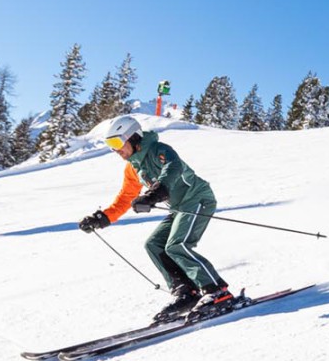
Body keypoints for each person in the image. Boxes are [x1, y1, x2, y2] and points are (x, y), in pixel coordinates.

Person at [78, 116, 233, 322]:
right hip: (179, 208)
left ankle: (217, 291)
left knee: (177, 245)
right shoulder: (133, 168)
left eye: (116, 143)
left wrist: (155, 193)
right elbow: (126, 197)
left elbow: (173, 168)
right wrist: (102, 218)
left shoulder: (160, 150)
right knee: (154, 244)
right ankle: (186, 292)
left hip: (198, 198)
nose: (115, 150)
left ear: (132, 137)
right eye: (110, 145)